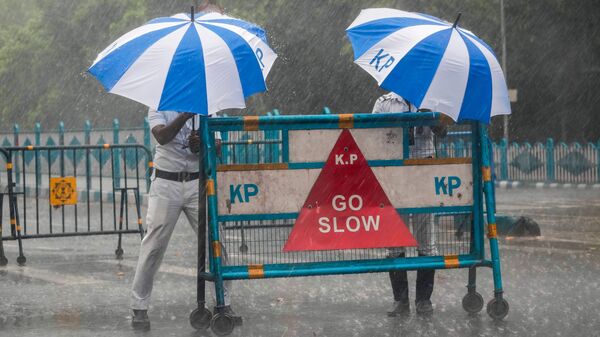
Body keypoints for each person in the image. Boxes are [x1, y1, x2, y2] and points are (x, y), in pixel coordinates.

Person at [130, 109, 238, 328]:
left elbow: (217, 147)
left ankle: (223, 303)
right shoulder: (159, 104)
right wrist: (185, 116)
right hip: (166, 183)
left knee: (216, 242)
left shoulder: (208, 105)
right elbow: (161, 135)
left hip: (197, 182)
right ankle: (139, 307)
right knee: (153, 246)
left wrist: (203, 142)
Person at [372, 92, 447, 316]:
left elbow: (443, 132)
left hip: (424, 169)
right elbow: (372, 136)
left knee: (426, 238)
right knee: (395, 238)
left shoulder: (431, 99)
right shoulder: (384, 103)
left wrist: (432, 120)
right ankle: (400, 300)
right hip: (395, 171)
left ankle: (424, 300)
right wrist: (397, 127)